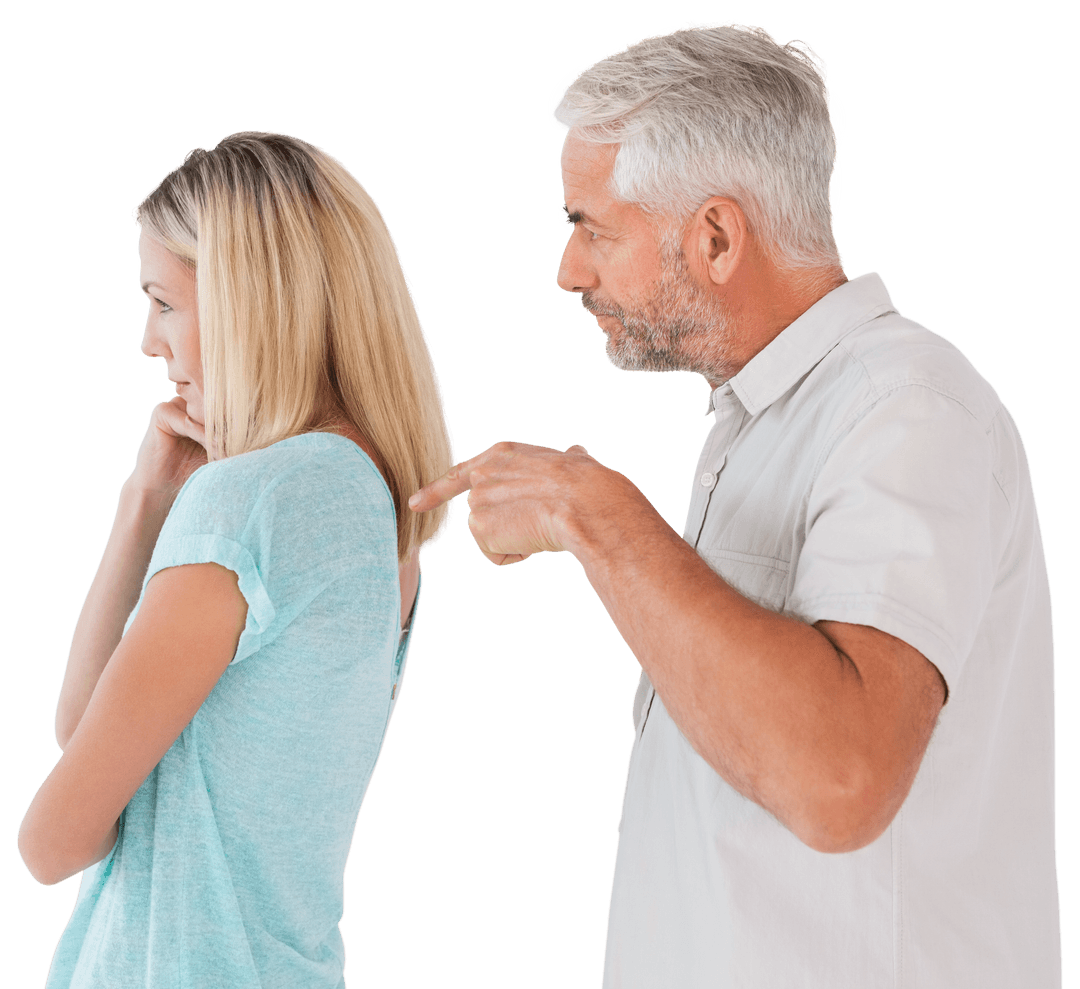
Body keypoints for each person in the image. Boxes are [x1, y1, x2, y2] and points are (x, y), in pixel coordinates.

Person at [408, 20, 1061, 988]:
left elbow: (840, 781)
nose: (568, 269)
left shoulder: (905, 407)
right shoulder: (765, 422)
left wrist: (600, 517)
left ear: (715, 235)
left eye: (591, 226)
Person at [17, 131, 456, 988]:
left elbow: (52, 840)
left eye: (163, 301)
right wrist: (146, 499)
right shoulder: (383, 516)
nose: (150, 341)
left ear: (248, 297)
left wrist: (167, 507)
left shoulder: (253, 498)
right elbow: (90, 736)